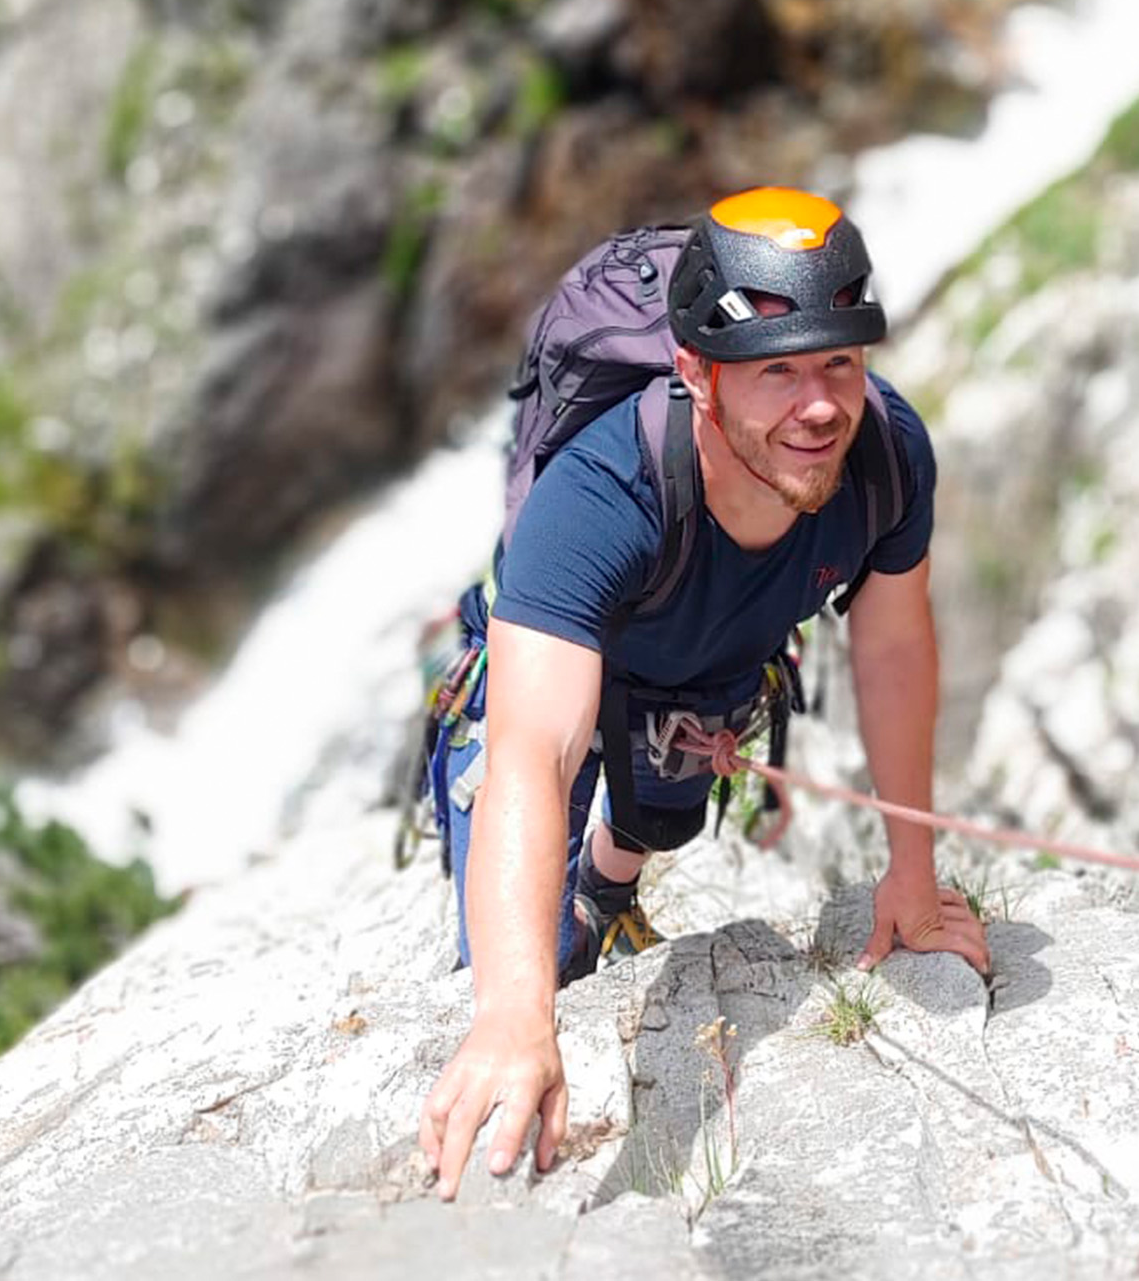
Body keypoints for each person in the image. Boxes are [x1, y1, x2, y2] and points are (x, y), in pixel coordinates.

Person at [416, 186, 991, 1199]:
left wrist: (912, 873)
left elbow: (894, 649)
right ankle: (565, 930)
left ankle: (606, 885)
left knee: (661, 819)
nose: (821, 406)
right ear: (694, 371)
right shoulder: (599, 496)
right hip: (558, 666)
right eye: (775, 372)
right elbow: (535, 753)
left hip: (705, 670)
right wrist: (513, 1016)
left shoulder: (887, 458)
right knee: (530, 953)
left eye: (839, 363)